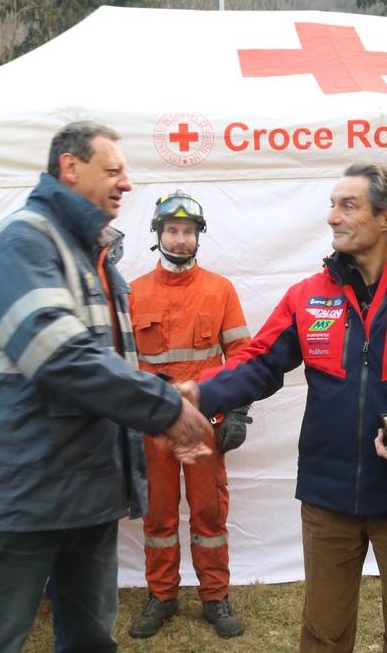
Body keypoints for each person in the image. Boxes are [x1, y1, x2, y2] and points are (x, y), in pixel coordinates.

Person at [181, 162, 387, 652]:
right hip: (328, 496)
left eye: (347, 205)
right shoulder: (309, 295)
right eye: (332, 205)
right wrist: (200, 393)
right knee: (323, 633)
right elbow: (259, 362)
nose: (332, 217)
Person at [0, 120, 213, 653]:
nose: (127, 183)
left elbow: (105, 365)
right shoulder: (20, 242)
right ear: (70, 169)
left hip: (87, 493)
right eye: (114, 170)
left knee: (91, 640)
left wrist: (160, 407)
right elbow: (60, 356)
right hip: (21, 496)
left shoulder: (94, 258)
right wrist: (164, 407)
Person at [127, 190, 252, 639]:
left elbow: (241, 354)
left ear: (199, 237)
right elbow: (121, 363)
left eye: (188, 232)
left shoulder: (220, 289)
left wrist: (237, 408)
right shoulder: (133, 292)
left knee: (208, 514)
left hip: (204, 424)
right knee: (158, 517)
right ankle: (162, 595)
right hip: (155, 426)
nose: (180, 240)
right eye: (172, 231)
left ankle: (215, 596)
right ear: (158, 234)